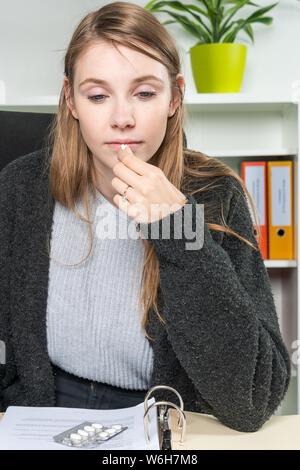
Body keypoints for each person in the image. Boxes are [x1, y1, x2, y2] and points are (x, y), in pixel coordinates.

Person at [0, 2, 291, 432]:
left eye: (145, 93)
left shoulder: (214, 195)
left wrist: (178, 224)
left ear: (175, 96)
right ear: (71, 100)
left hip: (161, 418)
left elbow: (253, 400)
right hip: (43, 409)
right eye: (98, 95)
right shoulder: (21, 187)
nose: (122, 119)